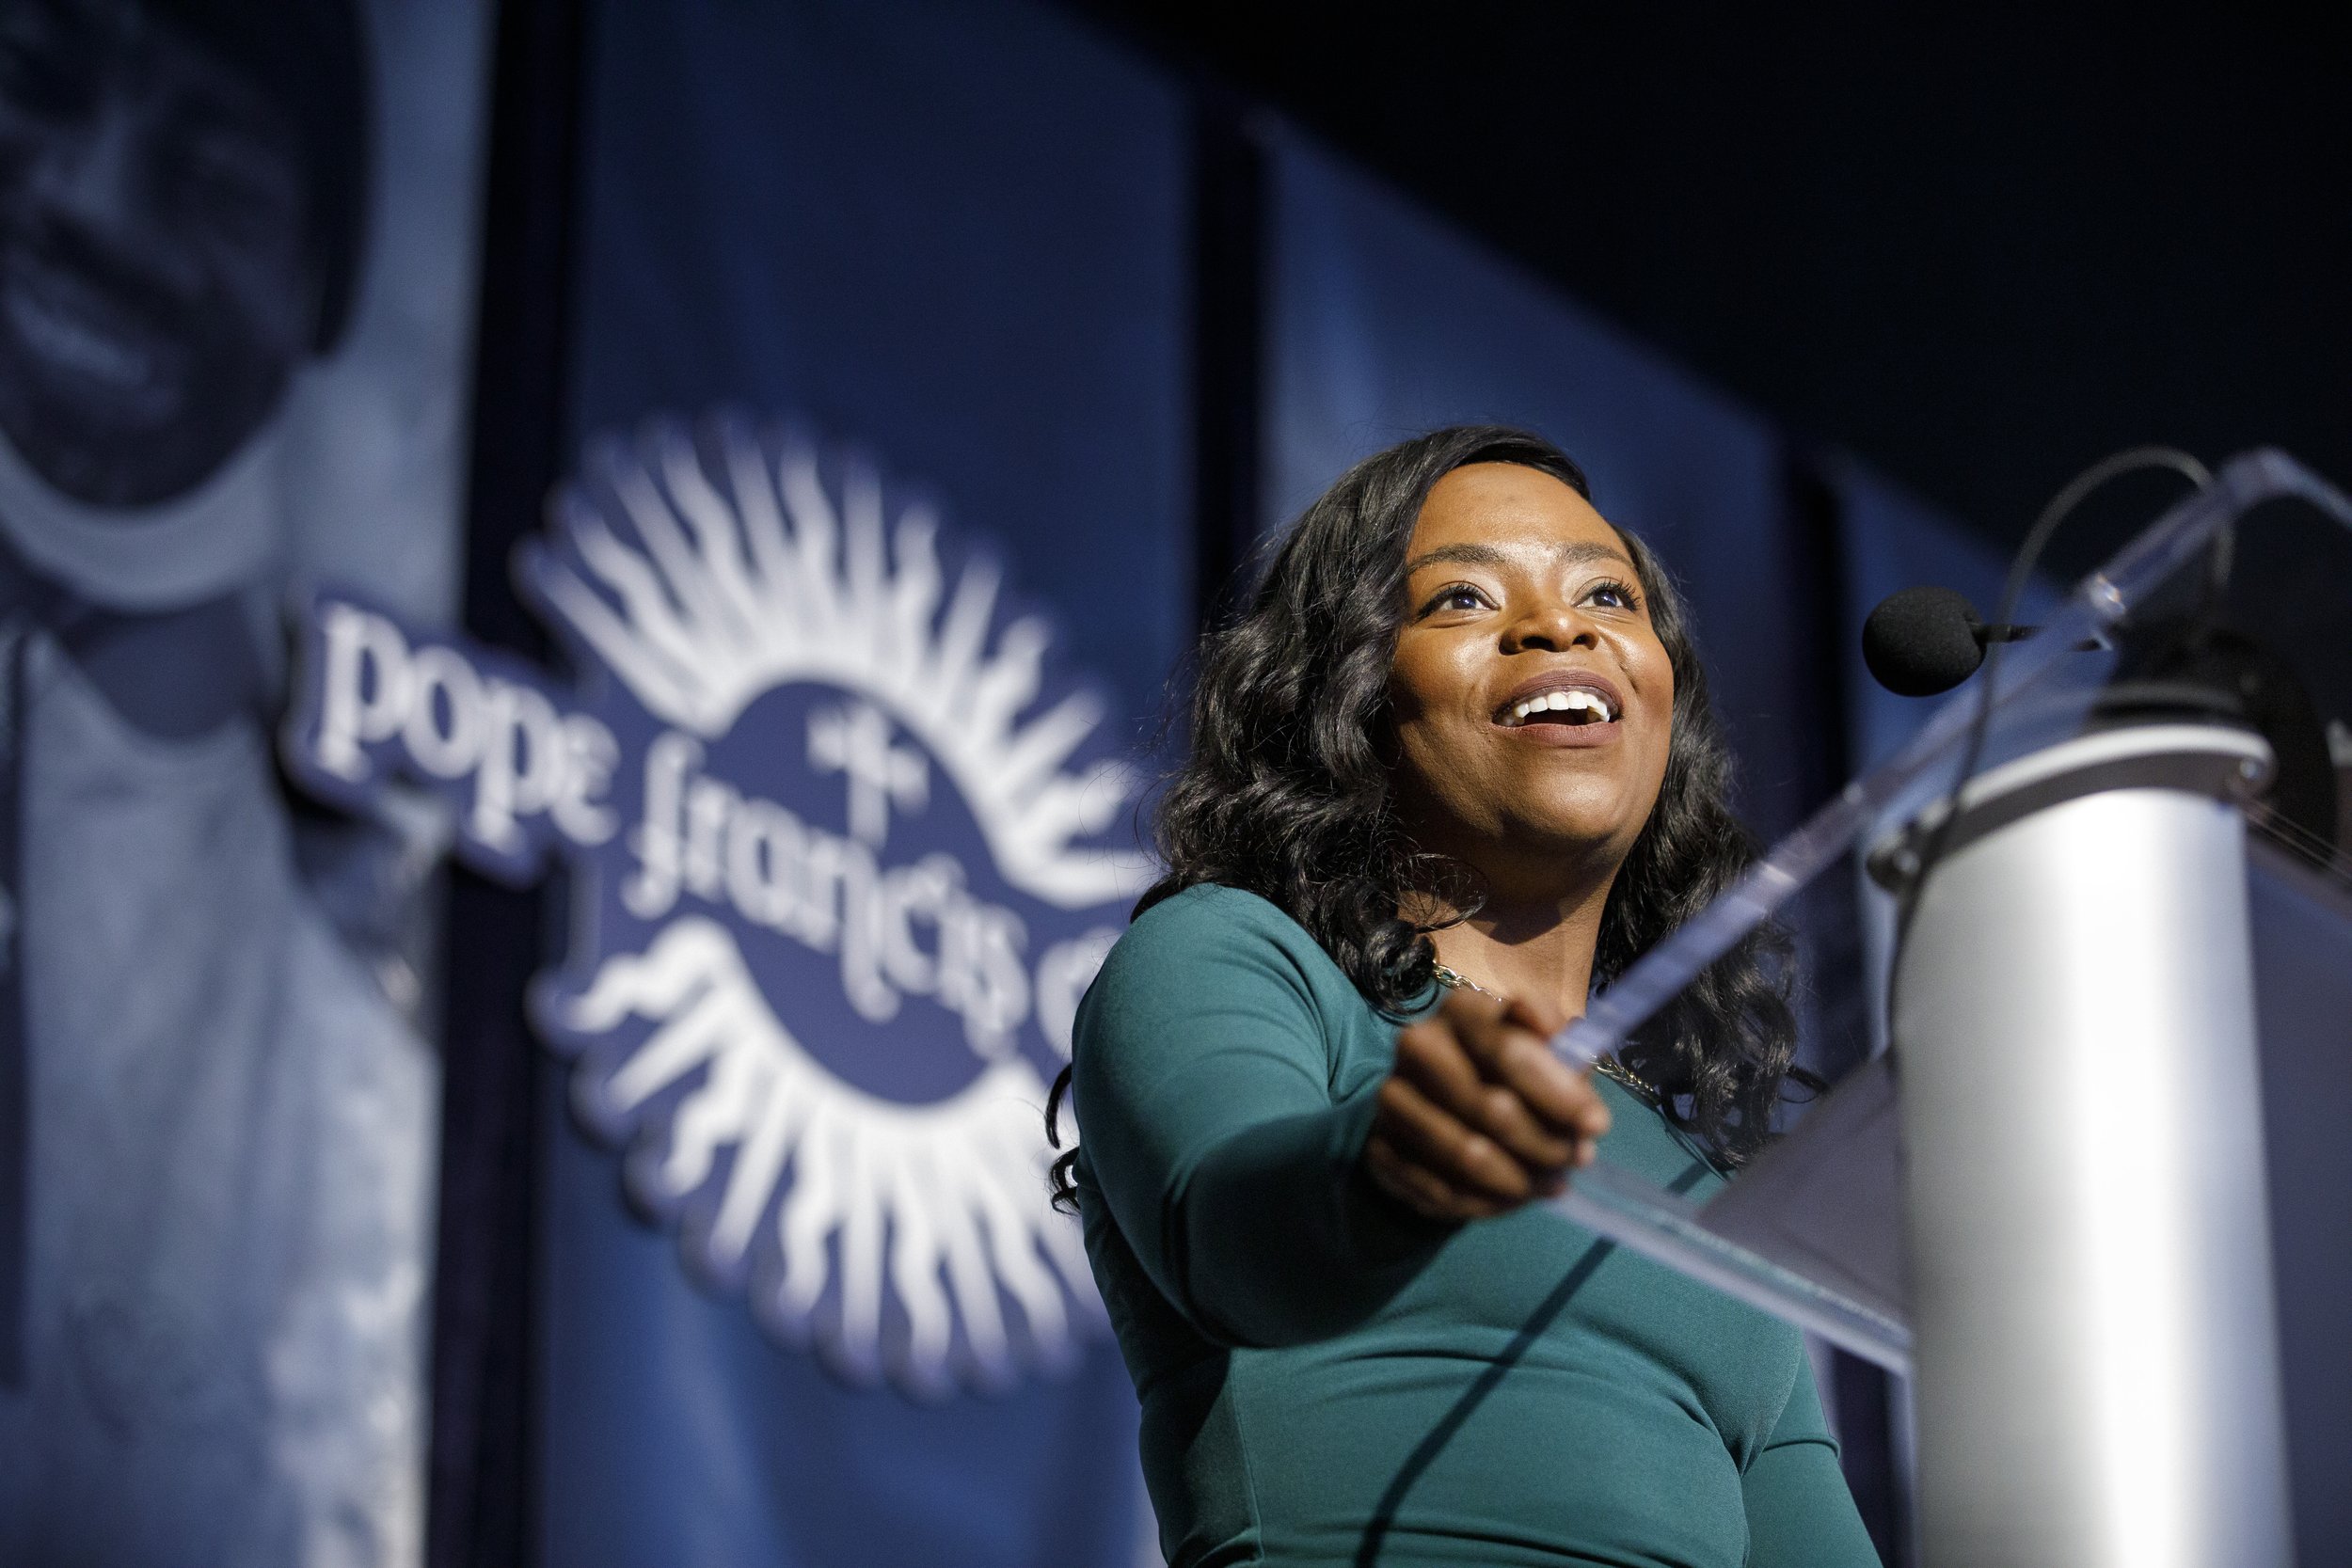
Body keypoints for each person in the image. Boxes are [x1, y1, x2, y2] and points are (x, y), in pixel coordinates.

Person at [1049, 426, 1881, 1566]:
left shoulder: (1700, 1187)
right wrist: (1387, 1164)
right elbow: (1229, 1233)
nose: (1558, 624)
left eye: (1606, 592)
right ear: (1349, 691)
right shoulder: (1237, 954)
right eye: (1462, 599)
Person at [0, 3, 437, 1565]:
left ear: (318, 282)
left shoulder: (367, 972)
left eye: (216, 175)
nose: (96, 208)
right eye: (36, 93)